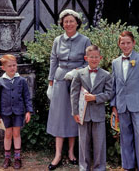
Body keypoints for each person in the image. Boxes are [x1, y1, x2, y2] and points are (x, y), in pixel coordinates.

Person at [47, 9, 91, 170]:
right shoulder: (58, 40)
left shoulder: (85, 40)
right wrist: (50, 83)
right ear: (62, 24)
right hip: (59, 81)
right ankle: (58, 154)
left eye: (71, 21)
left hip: (76, 81)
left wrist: (77, 72)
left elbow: (89, 62)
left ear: (77, 23)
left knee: (74, 115)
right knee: (59, 117)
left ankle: (71, 152)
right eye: (66, 21)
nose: (68, 24)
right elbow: (53, 60)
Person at [110, 31, 139, 171]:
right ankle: (127, 166)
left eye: (128, 42)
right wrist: (114, 105)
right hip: (122, 105)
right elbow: (114, 85)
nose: (126, 45)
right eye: (123, 43)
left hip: (137, 105)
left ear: (133, 43)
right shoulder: (115, 62)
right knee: (125, 137)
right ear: (119, 44)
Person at [71, 45, 113, 171]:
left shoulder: (106, 75)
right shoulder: (79, 74)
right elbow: (74, 93)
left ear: (100, 58)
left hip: (98, 114)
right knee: (83, 143)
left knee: (99, 143)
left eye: (96, 57)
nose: (94, 59)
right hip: (83, 114)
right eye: (91, 57)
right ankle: (84, 167)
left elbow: (109, 94)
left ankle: (99, 167)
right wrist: (75, 112)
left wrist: (95, 97)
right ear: (86, 58)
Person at [0, 54, 33, 169]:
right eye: (9, 66)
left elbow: (27, 97)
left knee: (16, 134)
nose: (12, 68)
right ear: (3, 68)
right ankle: (7, 158)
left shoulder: (22, 80)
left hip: (18, 112)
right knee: (8, 134)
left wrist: (28, 111)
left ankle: (17, 158)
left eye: (14, 65)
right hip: (5, 113)